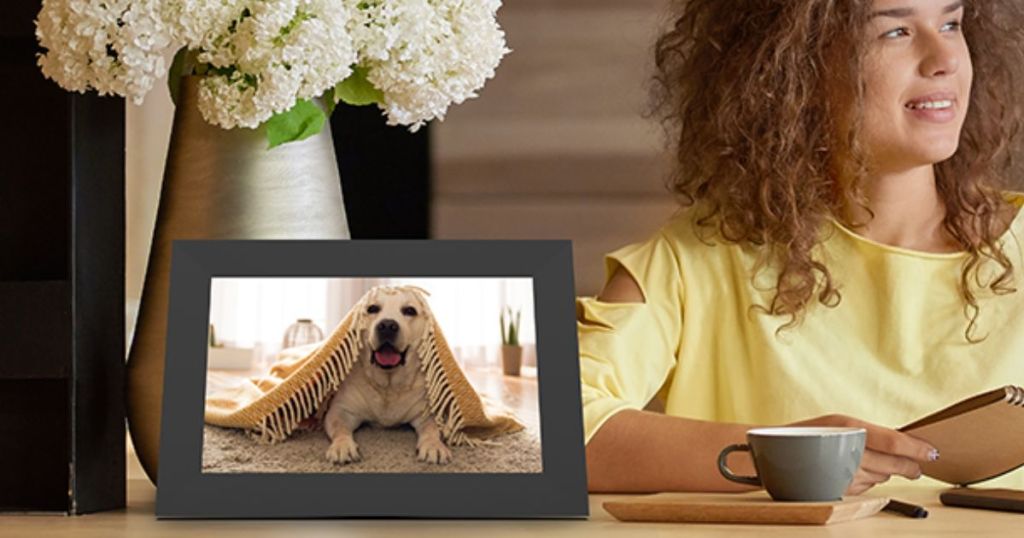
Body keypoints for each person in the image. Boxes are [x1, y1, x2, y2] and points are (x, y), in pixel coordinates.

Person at [579, 0, 1024, 494]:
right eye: (895, 32)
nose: (945, 58)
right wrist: (779, 457)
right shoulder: (692, 259)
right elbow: (556, 436)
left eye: (951, 24)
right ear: (795, 67)